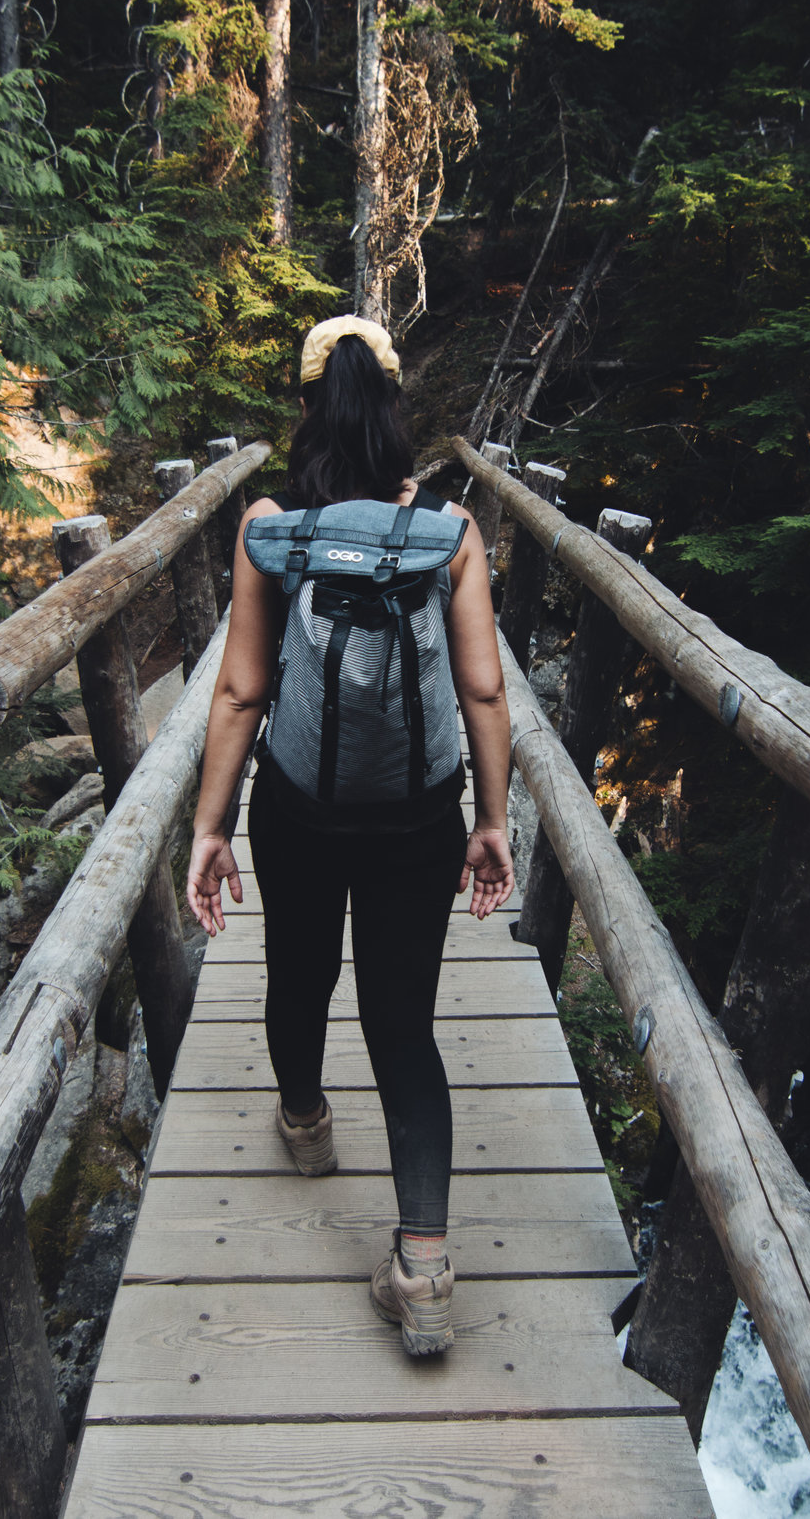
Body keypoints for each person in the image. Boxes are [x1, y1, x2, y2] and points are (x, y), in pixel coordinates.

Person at [184, 314, 516, 1357]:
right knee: (403, 1022)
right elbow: (483, 689)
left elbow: (241, 691)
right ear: (394, 409)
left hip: (299, 807)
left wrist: (209, 828)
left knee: (298, 972)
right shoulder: (449, 531)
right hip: (419, 814)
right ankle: (423, 1268)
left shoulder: (271, 527)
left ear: (305, 407)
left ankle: (304, 1122)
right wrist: (492, 820)